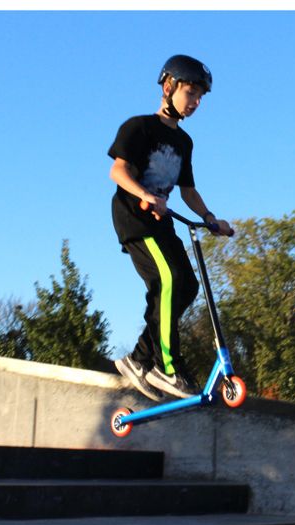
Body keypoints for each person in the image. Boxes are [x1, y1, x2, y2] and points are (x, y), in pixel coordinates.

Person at [107, 54, 234, 400]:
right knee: (169, 280)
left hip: (162, 222)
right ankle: (167, 366)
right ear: (168, 87)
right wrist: (146, 194)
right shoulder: (139, 127)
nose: (194, 103)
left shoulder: (184, 142)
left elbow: (188, 190)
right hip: (135, 218)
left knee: (187, 287)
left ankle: (139, 359)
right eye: (190, 94)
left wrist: (210, 219)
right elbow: (118, 172)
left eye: (199, 98)